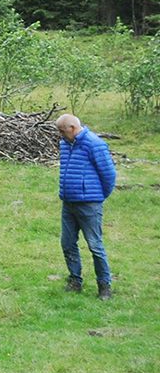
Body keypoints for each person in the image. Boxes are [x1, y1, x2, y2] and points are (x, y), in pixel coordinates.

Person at [57, 113, 116, 300]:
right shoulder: (65, 144)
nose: (60, 135)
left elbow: (109, 174)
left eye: (62, 131)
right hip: (68, 203)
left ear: (73, 128)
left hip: (89, 205)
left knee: (95, 245)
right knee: (67, 243)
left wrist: (97, 197)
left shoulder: (94, 144)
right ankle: (75, 281)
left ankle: (104, 286)